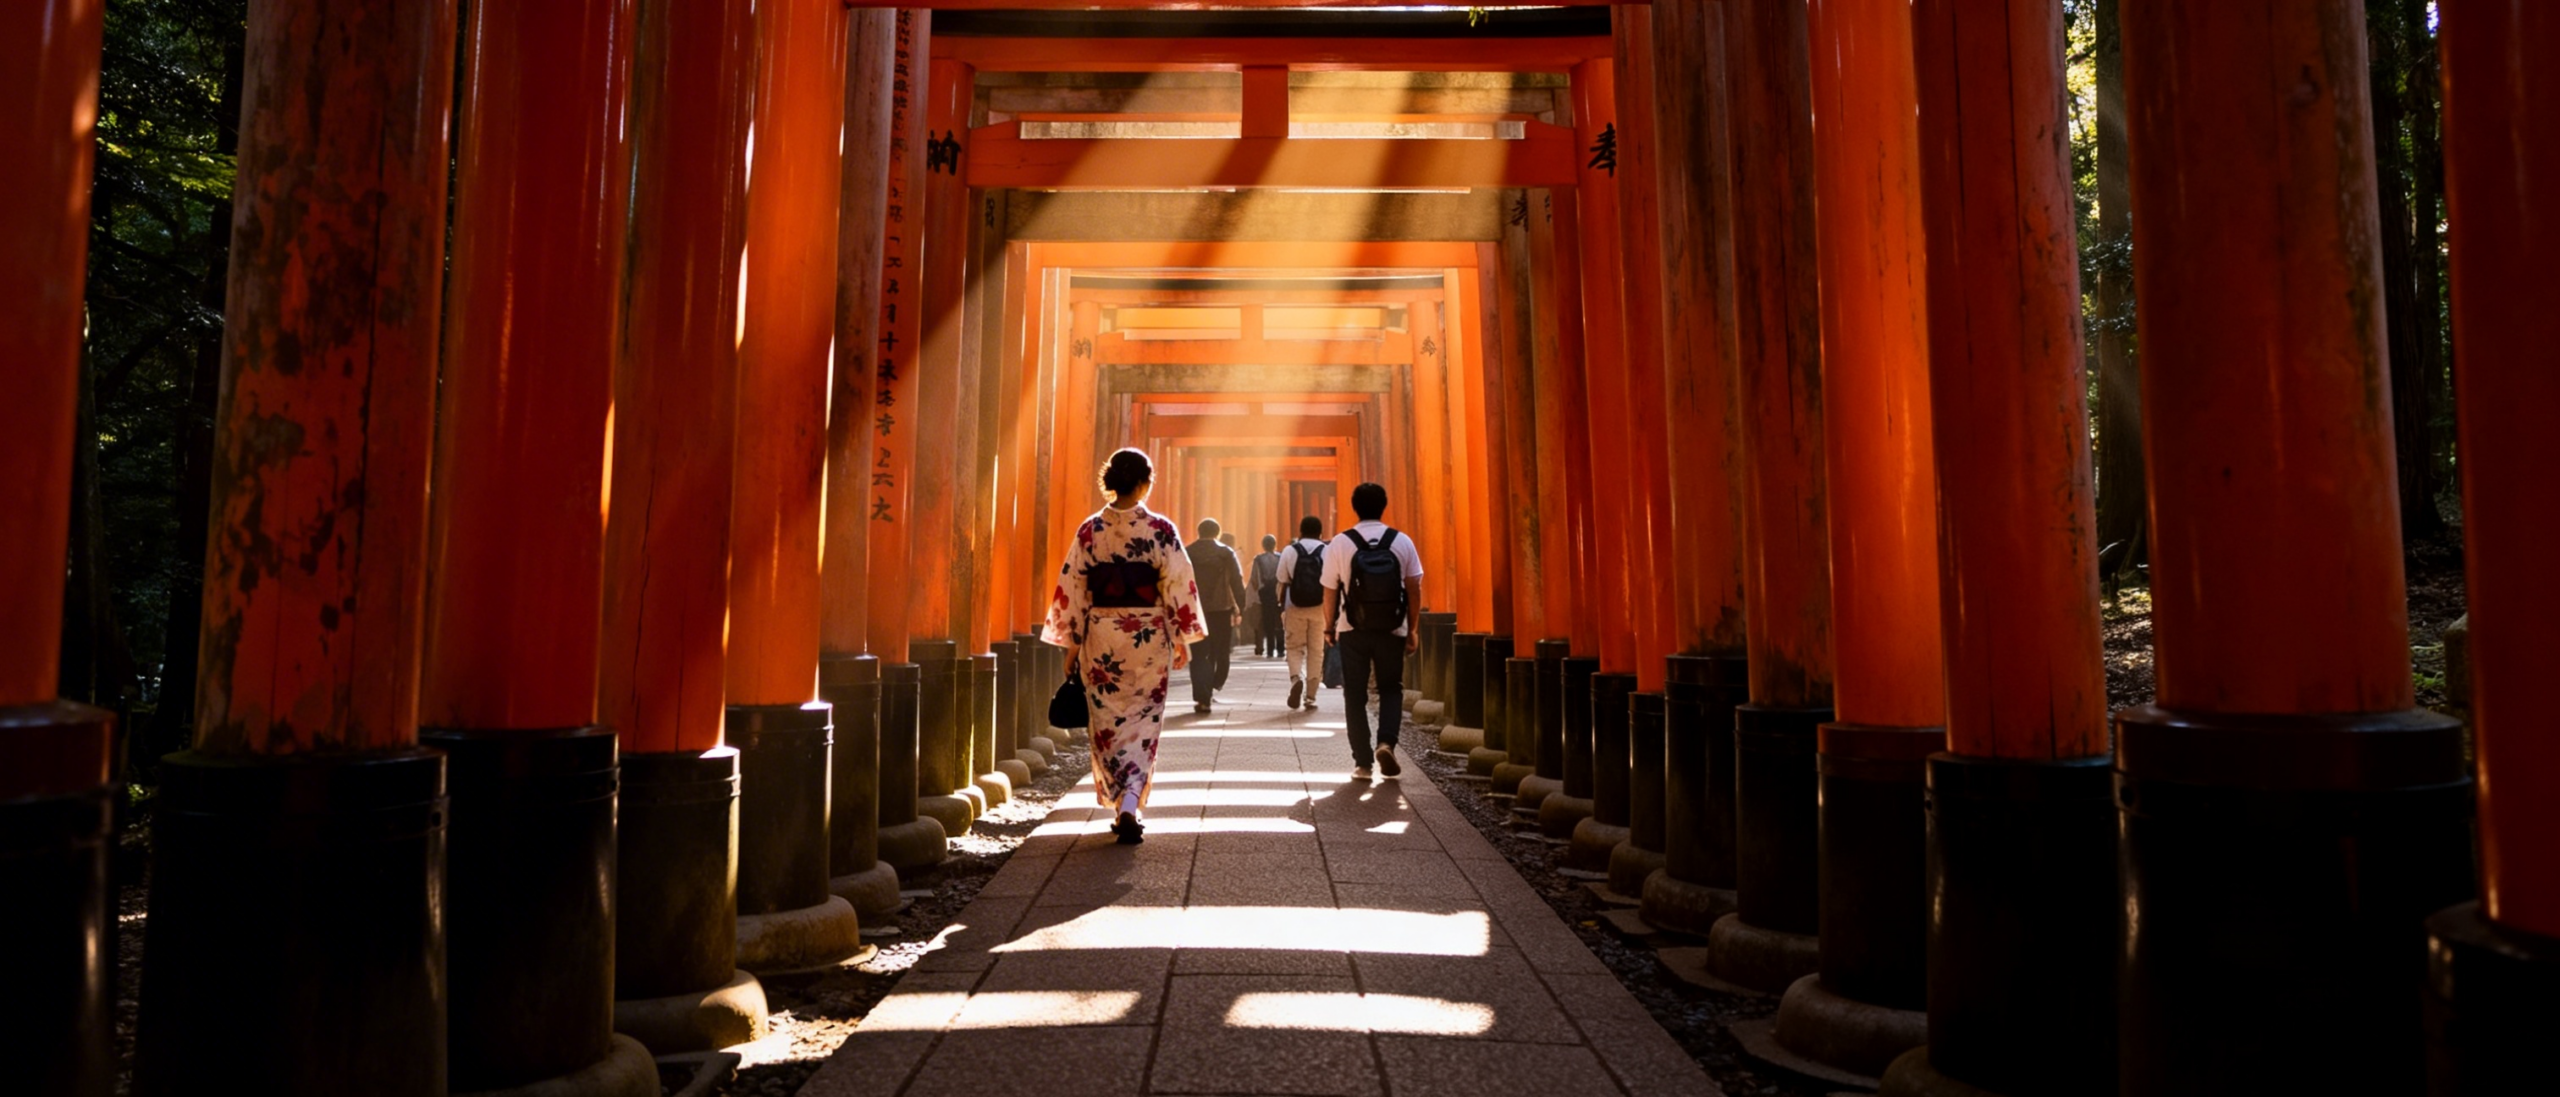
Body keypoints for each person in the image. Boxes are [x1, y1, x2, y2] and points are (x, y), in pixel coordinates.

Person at [1043, 448, 1208, 844]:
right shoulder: (1160, 529)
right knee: (1144, 720)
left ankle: (1121, 802)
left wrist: (1071, 646)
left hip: (1101, 635)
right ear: (1144, 482)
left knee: (1106, 723)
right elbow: (1176, 584)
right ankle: (1132, 800)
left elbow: (1075, 589)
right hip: (1148, 634)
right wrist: (1182, 637)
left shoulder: (1090, 531)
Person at [1322, 483, 1424, 779]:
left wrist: (1329, 627)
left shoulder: (1340, 543)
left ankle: (1363, 763)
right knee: (1391, 688)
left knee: (1354, 693)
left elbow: (1329, 590)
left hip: (1353, 627)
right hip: (1393, 627)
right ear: (1384, 505)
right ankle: (1386, 743)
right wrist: (1413, 628)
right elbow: (1414, 586)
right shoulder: (1401, 541)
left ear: (1354, 507)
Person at [1184, 517, 1247, 713]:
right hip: (1221, 609)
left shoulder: (1188, 552)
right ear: (1217, 533)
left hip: (1196, 610)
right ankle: (1214, 684)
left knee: (1199, 653)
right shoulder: (1225, 552)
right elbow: (1237, 580)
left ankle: (1202, 694)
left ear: (1199, 532)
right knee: (1220, 651)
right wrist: (1241, 606)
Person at [1273, 516, 1330, 710]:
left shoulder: (1290, 550)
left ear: (1301, 531)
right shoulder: (1326, 550)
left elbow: (1282, 578)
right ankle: (1311, 695)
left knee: (1294, 646)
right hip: (1319, 607)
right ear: (1320, 533)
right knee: (1316, 649)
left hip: (1294, 605)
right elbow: (1332, 580)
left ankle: (1296, 678)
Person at [1249, 534, 1284, 657]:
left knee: (1267, 620)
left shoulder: (1258, 559)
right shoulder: (1280, 557)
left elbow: (1254, 578)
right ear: (1275, 545)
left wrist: (1257, 590)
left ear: (1263, 545)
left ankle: (1270, 649)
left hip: (1264, 592)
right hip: (1278, 591)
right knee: (1279, 620)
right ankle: (1281, 648)